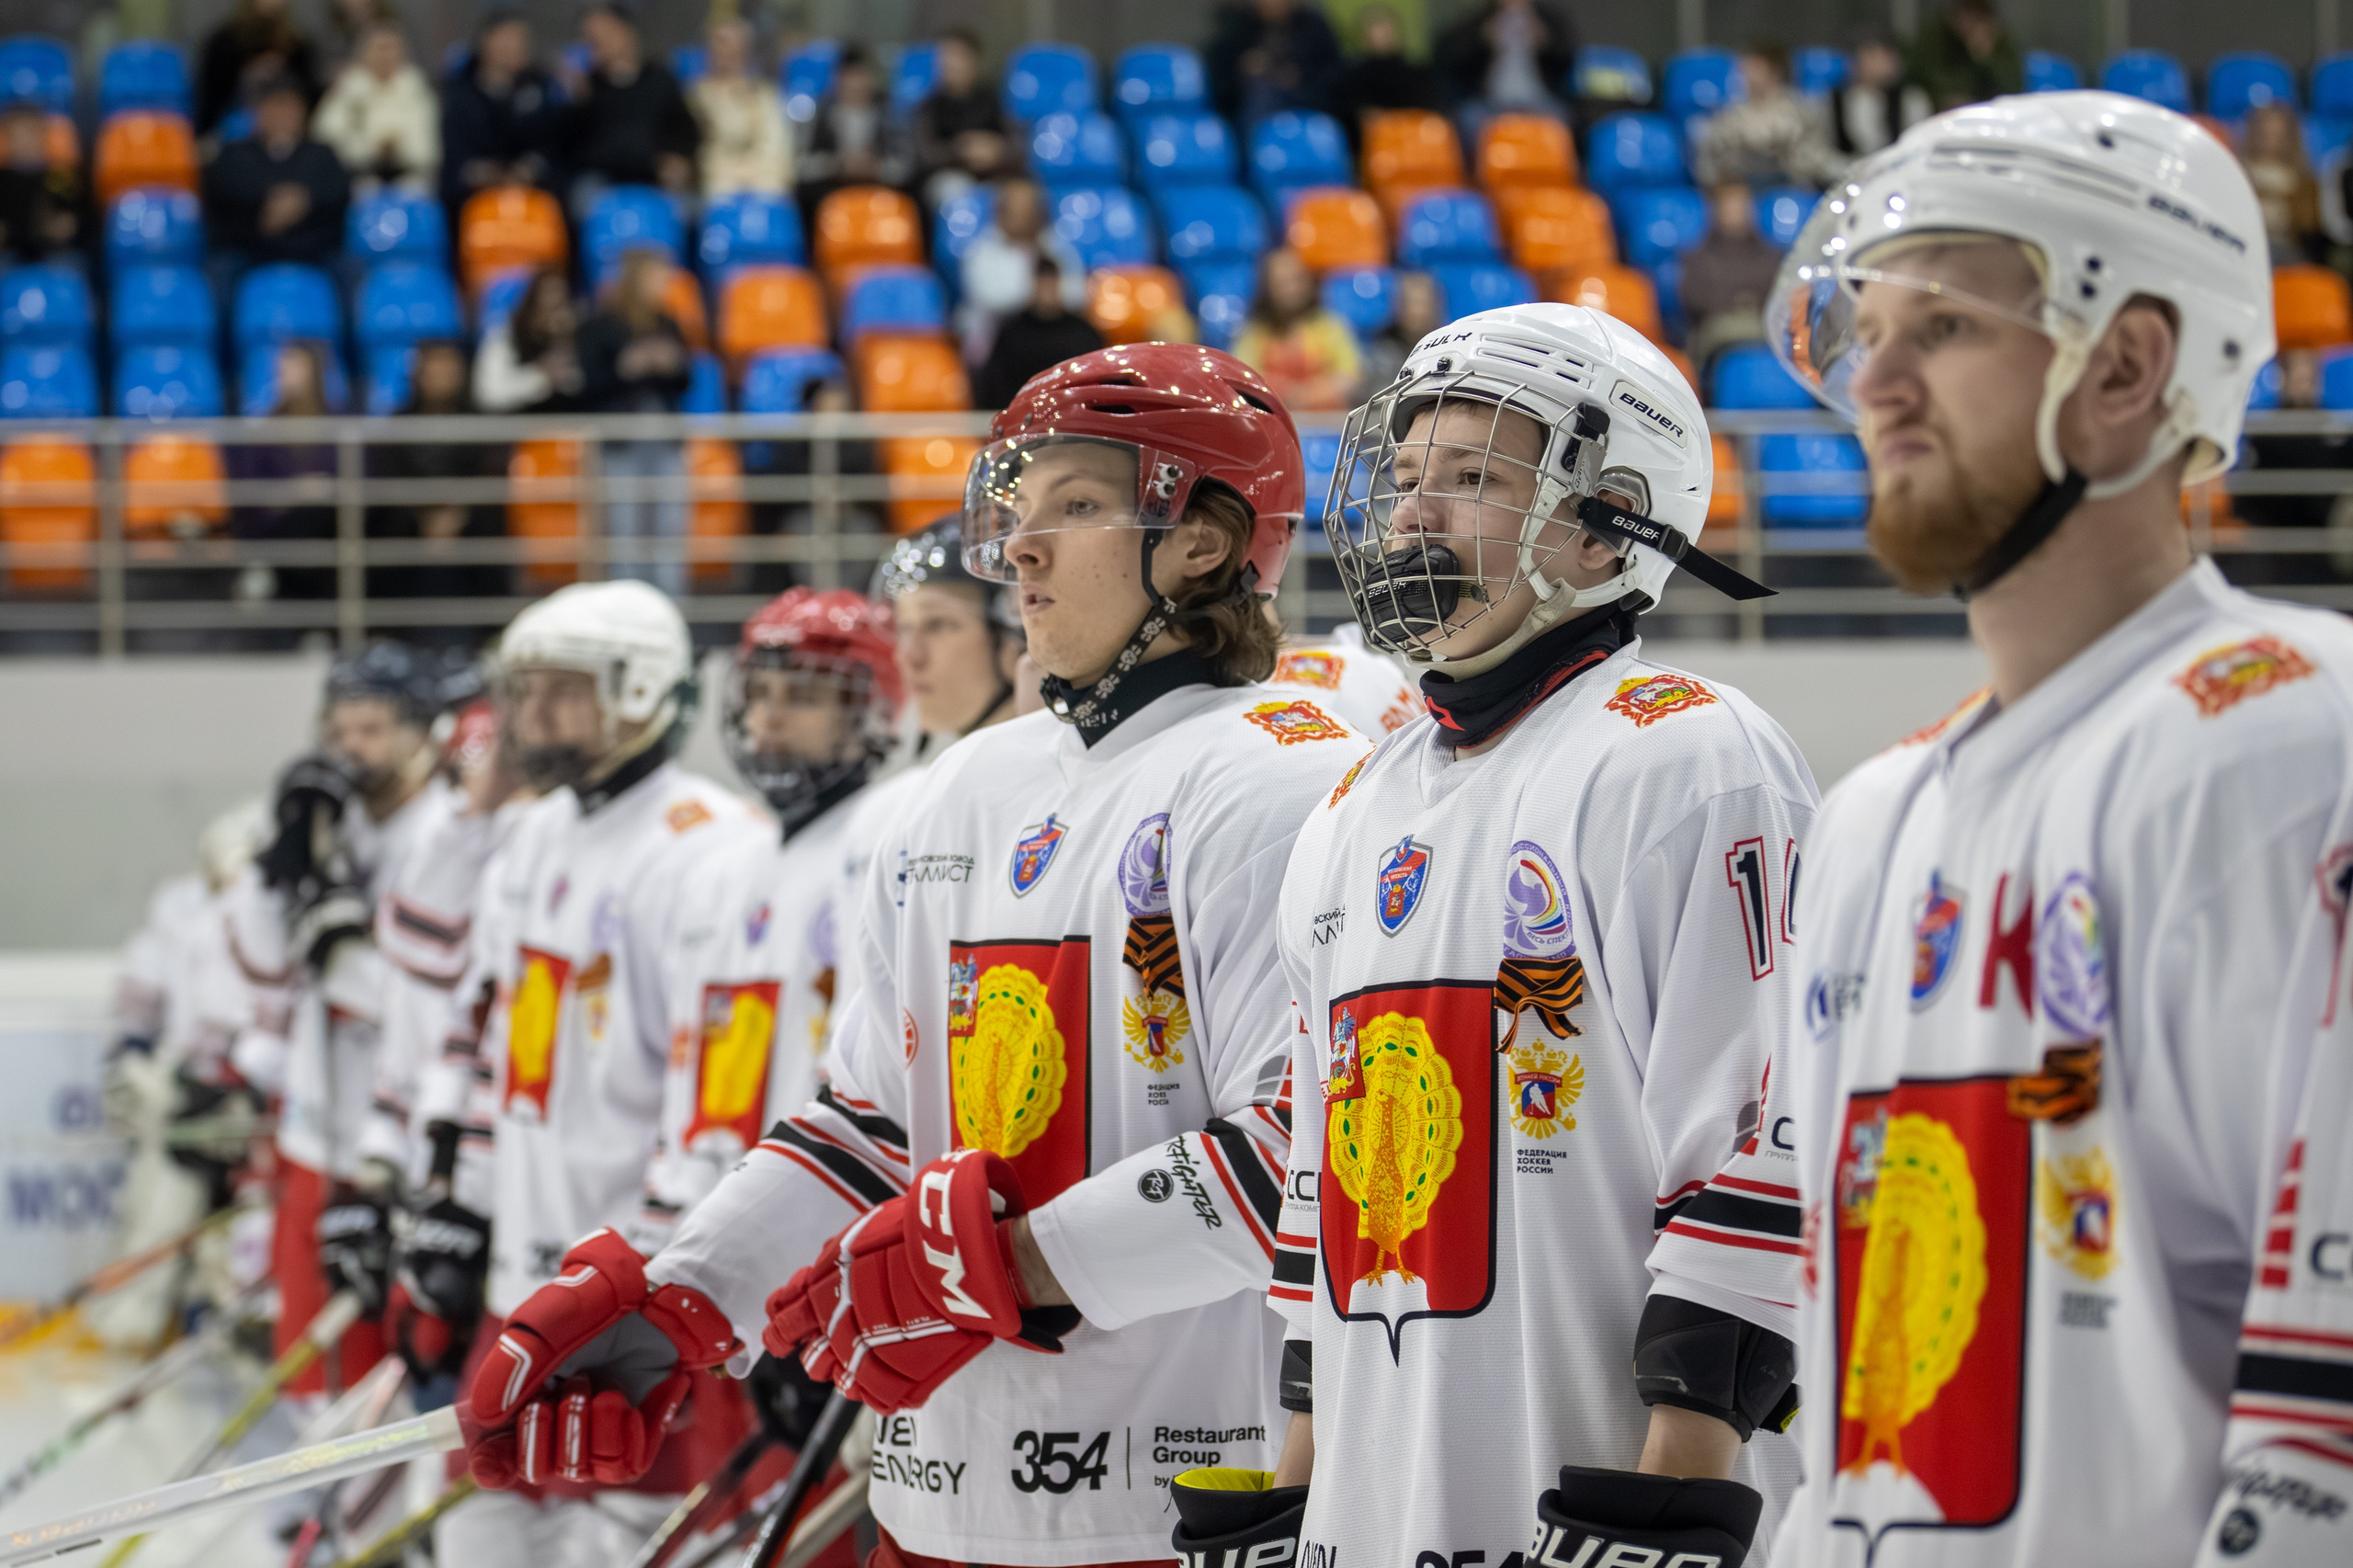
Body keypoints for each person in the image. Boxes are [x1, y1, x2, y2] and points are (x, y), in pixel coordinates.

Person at [453, 347, 1358, 1568]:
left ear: (1202, 540)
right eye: (1021, 504)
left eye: (1078, 504)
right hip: (933, 1492)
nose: (1023, 544)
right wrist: (688, 1296)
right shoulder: (964, 788)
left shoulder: (1283, 775)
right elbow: (870, 1120)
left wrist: (997, 1261)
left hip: (1183, 1504)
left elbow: (1304, 1163)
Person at [1757, 90, 2353, 1564]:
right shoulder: (1871, 815)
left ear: (2131, 364)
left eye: (1945, 324)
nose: (1873, 380)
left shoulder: (2293, 737)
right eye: (1865, 328)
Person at [1205, 298, 1806, 1568]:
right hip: (1372, 1502)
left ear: (1610, 523)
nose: (1412, 508)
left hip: (1590, 1496)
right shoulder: (1360, 797)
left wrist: (1670, 1506)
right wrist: (1293, 1493)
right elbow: (1328, 1198)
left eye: (1472, 475)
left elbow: (1756, 1162)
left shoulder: (1683, 751)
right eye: (1407, 472)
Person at [414, 581, 767, 1561]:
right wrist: (458, 1200)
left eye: (561, 691)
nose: (532, 716)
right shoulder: (531, 832)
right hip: (522, 1273)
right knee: (484, 1521)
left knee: (632, 1534)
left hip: (629, 1295)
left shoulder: (710, 844)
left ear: (642, 691)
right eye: (523, 691)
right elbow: (487, 1028)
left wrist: (656, 1263)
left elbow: (713, 1088)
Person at [222, 644, 464, 1397]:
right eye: (341, 727)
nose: (351, 747)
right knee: (306, 1373)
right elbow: (260, 965)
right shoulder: (332, 820)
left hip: (394, 1150)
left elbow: (422, 1000)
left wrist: (340, 950)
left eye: (373, 729)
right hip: (314, 1135)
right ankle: (313, 1515)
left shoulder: (447, 836)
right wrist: (281, 864)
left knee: (387, 1375)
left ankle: (371, 1514)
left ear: (424, 734)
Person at [641, 588, 904, 1252]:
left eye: (805, 697)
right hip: (707, 1227)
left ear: (868, 710)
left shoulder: (886, 846)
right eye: (760, 693)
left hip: (828, 1229)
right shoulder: (719, 868)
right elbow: (686, 1067)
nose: (772, 716)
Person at [575, 250, 693, 597]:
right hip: (620, 441)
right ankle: (626, 609)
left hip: (665, 438)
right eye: (656, 276)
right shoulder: (598, 326)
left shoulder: (667, 322)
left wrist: (670, 365)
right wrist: (627, 367)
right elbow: (588, 386)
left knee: (669, 530)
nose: (663, 284)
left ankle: (672, 609)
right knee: (623, 532)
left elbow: (687, 381)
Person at [368, 340, 509, 615]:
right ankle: (388, 628)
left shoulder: (480, 422)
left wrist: (457, 515)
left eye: (449, 369)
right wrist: (425, 517)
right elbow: (390, 478)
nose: (442, 376)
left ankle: (490, 626)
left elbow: (487, 473)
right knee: (384, 522)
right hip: (411, 518)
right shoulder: (398, 423)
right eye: (435, 369)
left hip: (468, 516)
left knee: (491, 521)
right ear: (419, 373)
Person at [226, 341, 339, 639]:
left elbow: (353, 481)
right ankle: (307, 627)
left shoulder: (336, 426)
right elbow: (251, 492)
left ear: (315, 371)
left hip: (328, 530)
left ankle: (320, 627)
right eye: (282, 369)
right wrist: (298, 491)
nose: (285, 375)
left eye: (294, 367)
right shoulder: (266, 430)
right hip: (278, 529)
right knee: (300, 530)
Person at [203, 74, 353, 286]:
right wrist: (267, 205)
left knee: (350, 271)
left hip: (313, 248)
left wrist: (304, 201)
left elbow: (339, 195)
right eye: (275, 106)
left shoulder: (323, 154)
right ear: (259, 112)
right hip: (249, 248)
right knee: (219, 271)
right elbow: (222, 194)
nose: (282, 115)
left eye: (290, 107)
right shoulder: (234, 153)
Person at [561, 1, 700, 216]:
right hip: (602, 181)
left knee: (690, 211)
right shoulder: (589, 88)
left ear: (626, 32)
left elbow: (686, 130)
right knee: (583, 203)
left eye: (602, 36)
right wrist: (576, 102)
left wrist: (677, 159)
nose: (594, 45)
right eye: (589, 41)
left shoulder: (660, 79)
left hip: (654, 180)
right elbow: (568, 146)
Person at [438, 9, 565, 226]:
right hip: (473, 194)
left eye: (522, 40)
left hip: (533, 189)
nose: (517, 46)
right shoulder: (459, 91)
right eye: (509, 38)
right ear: (486, 41)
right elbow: (455, 156)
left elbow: (554, 145)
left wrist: (530, 169)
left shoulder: (541, 87)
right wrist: (485, 174)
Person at [957, 178, 1086, 363]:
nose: (1021, 215)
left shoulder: (1058, 247)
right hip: (995, 342)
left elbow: (1077, 294)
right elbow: (989, 298)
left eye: (1028, 209)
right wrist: (1039, 295)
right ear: (1000, 211)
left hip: (1049, 338)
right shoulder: (981, 251)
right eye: (1015, 208)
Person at [1691, 45, 1846, 189]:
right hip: (1744, 191)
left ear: (1775, 72)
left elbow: (1817, 160)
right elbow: (1712, 164)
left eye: (1755, 67)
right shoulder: (1731, 115)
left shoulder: (1802, 111)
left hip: (1796, 187)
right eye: (1745, 68)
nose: (1747, 74)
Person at [313, 18, 440, 193]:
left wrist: (397, 148)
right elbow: (325, 135)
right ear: (363, 52)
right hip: (358, 183)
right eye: (379, 47)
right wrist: (373, 148)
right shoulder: (346, 89)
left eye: (391, 47)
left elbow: (429, 147)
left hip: (410, 184)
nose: (385, 55)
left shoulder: (417, 88)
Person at [1232, 245, 1363, 412]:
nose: (1291, 290)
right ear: (1267, 287)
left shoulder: (1330, 326)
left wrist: (1309, 394)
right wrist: (1281, 390)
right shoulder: (1255, 331)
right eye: (1281, 283)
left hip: (1325, 421)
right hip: (1270, 418)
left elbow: (1350, 376)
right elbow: (1242, 376)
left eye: (1296, 280)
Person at [973, 256, 1104, 407]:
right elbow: (994, 386)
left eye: (1051, 281)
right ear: (1033, 284)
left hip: (1073, 414)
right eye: (1042, 282)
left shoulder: (1082, 332)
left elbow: (1096, 381)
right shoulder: (1012, 333)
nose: (1047, 289)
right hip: (1022, 416)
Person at [796, 45, 910, 215]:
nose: (857, 83)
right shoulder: (822, 114)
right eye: (851, 75)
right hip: (831, 186)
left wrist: (876, 167)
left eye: (862, 75)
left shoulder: (888, 115)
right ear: (838, 78)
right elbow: (802, 166)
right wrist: (836, 164)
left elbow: (906, 166)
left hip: (877, 186)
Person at [1680, 183, 1783, 370]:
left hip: (1763, 325)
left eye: (1740, 205)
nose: (1735, 212)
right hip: (1716, 330)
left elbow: (1779, 297)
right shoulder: (1697, 257)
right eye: (1729, 205)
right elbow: (1695, 299)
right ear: (1716, 210)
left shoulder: (1772, 256)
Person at [688, 17, 789, 200]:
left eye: (727, 42)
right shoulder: (697, 95)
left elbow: (776, 150)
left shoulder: (764, 94)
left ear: (745, 48)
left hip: (762, 186)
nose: (721, 49)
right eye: (716, 42)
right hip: (715, 187)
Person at [1432, 0, 1576, 126]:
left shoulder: (1549, 20)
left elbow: (1571, 59)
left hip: (1540, 102)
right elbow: (1450, 59)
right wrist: (1481, 40)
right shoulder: (1479, 21)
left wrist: (1547, 42)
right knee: (1467, 119)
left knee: (1562, 121)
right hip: (1488, 105)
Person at [913, 28, 1009, 207]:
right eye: (944, 56)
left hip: (994, 175)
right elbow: (923, 156)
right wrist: (961, 149)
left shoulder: (996, 100)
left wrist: (998, 149)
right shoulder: (928, 107)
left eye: (958, 55)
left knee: (1020, 196)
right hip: (948, 175)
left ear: (975, 60)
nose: (951, 63)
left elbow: (1015, 145)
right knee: (955, 189)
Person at [1207, 0, 1344, 126]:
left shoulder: (1312, 26)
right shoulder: (1242, 29)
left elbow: (1331, 78)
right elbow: (1226, 84)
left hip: (1309, 102)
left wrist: (1289, 75)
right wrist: (1244, 70)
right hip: (1256, 104)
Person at [1329, 5, 1443, 155]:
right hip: (1372, 152)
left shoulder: (1416, 73)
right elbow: (1350, 114)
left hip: (1416, 149)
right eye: (1374, 25)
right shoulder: (1353, 76)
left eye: (1384, 24)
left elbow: (1432, 113)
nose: (1381, 32)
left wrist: (1394, 122)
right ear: (1363, 34)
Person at [197, 0, 321, 137]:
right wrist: (249, 74)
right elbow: (211, 103)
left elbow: (309, 98)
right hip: (235, 126)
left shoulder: (298, 45)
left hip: (290, 131)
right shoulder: (224, 43)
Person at [473, 268, 583, 415]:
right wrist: (540, 378)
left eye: (562, 299)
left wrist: (564, 343)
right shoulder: (506, 333)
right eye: (548, 295)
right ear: (531, 300)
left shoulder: (580, 334)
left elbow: (582, 386)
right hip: (517, 427)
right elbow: (489, 394)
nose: (554, 305)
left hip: (569, 426)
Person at [0, 99, 87, 267]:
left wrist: (66, 227)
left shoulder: (62, 177)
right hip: (9, 258)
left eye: (31, 132)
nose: (25, 140)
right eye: (18, 133)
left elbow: (78, 224)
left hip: (55, 255)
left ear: (43, 134)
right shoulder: (3, 180)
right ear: (8, 137)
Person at [2242, 101, 2326, 266]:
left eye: (2277, 134)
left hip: (2289, 249)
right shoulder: (2239, 173)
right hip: (2248, 246)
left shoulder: (2304, 179)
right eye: (2265, 133)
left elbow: (2307, 225)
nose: (2271, 140)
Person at [1907, 0, 2021, 114]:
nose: (1967, 23)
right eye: (1962, 14)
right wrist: (1944, 99)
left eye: (1975, 16)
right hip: (1941, 116)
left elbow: (2014, 91)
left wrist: (1984, 55)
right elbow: (1915, 73)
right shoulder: (1937, 37)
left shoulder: (1999, 40)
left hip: (1990, 115)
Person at [1829, 38, 1925, 159]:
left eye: (1889, 54)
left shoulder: (1911, 98)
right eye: (1873, 55)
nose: (1886, 61)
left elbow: (1920, 144)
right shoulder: (1836, 100)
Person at [1357, 267, 1443, 398]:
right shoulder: (1383, 348)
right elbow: (1379, 398)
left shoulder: (1448, 343)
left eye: (1424, 303)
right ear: (1398, 305)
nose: (1418, 312)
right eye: (1411, 303)